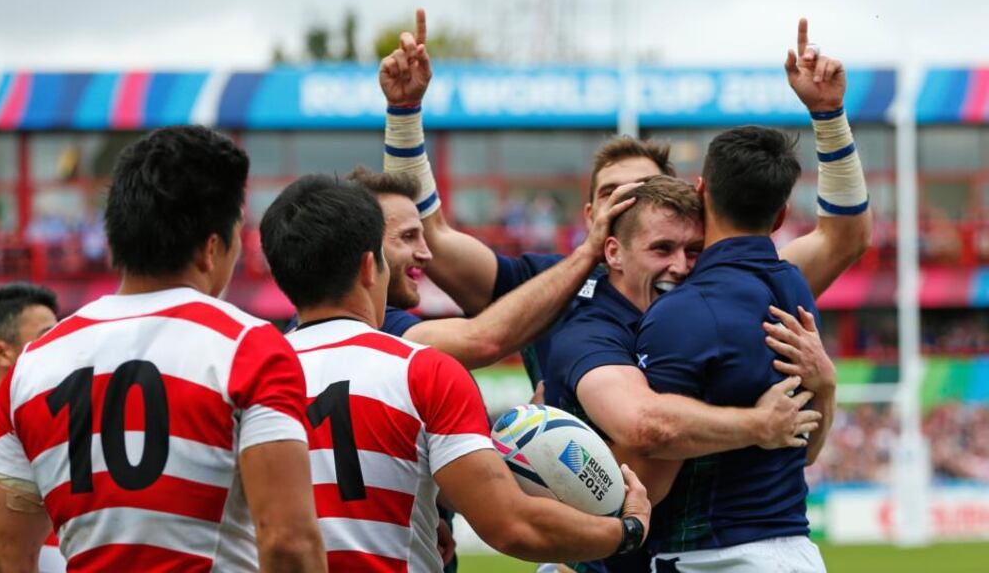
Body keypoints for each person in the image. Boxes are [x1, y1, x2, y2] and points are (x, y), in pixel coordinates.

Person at [379, 12, 871, 387]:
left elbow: (842, 238)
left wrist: (828, 116)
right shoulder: (543, 283)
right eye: (614, 196)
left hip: (697, 519)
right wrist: (404, 113)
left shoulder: (719, 277)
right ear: (592, 216)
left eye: (646, 194)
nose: (627, 208)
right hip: (577, 514)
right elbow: (431, 238)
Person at [260, 174, 652, 572]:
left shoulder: (250, 375)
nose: (425, 254)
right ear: (368, 265)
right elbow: (511, 524)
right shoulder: (424, 369)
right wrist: (626, 530)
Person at [0, 126, 327, 572]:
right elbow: (288, 542)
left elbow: (2, 558)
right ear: (212, 248)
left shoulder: (32, 366)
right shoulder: (248, 346)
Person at [546, 177, 836, 573]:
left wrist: (826, 387)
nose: (680, 267)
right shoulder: (590, 335)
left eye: (694, 250)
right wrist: (757, 425)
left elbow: (804, 452)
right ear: (614, 253)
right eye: (662, 249)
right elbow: (645, 427)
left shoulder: (699, 319)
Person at [635, 127, 833, 572]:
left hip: (713, 557)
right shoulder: (795, 289)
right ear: (781, 215)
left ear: (700, 190)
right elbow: (807, 451)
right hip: (798, 554)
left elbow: (651, 475)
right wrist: (829, 388)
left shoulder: (680, 312)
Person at [345, 165, 633, 369]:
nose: (426, 253)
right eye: (408, 236)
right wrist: (586, 254)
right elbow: (481, 340)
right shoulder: (372, 330)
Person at [0, 283, 64, 572]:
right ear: (1, 353)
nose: (62, 350)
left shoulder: (52, 421)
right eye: (48, 339)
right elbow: (23, 496)